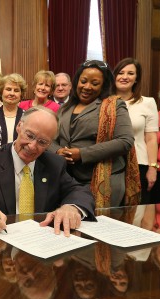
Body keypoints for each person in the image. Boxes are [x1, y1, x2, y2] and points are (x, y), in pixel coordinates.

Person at [0, 106, 95, 236]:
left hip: (41, 244)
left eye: (42, 142)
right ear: (19, 127)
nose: (32, 146)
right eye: (30, 135)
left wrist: (71, 207)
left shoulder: (54, 164)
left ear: (50, 144)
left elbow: (80, 191)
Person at [51, 60, 139, 208]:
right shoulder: (65, 108)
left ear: (104, 85)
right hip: (67, 180)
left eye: (95, 83)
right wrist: (58, 151)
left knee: (100, 228)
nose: (87, 87)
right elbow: (49, 139)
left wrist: (82, 154)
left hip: (104, 182)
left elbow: (125, 141)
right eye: (83, 81)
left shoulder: (114, 105)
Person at [113, 58, 159, 204]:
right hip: (110, 163)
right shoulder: (103, 102)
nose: (125, 77)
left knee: (136, 211)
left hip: (139, 164)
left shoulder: (148, 102)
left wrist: (153, 168)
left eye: (130, 73)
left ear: (136, 78)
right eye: (121, 72)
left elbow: (151, 138)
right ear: (114, 76)